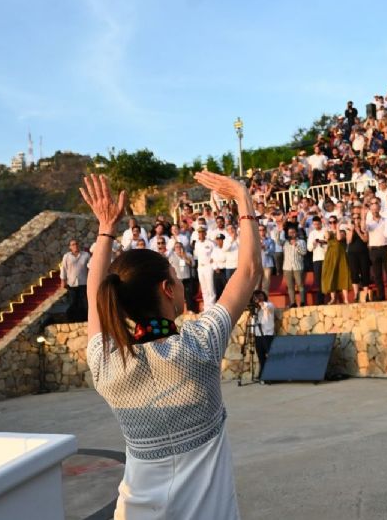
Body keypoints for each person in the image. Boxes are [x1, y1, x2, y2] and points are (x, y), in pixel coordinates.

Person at [84, 171, 261, 519]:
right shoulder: (199, 346)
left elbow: (93, 297)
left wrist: (106, 229)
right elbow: (250, 269)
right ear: (168, 288)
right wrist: (242, 197)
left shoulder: (106, 364)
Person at [320, 216, 351, 304]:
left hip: (341, 256)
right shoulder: (327, 231)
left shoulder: (342, 231)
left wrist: (337, 228)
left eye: (334, 222)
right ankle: (333, 298)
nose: (332, 224)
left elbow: (339, 238)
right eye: (331, 222)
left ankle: (346, 299)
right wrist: (326, 226)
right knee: (331, 275)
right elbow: (327, 237)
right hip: (330, 256)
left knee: (343, 275)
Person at [345, 205, 372, 303]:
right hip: (352, 253)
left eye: (358, 217)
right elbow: (348, 241)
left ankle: (366, 294)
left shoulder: (364, 227)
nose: (356, 219)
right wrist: (352, 230)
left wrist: (358, 231)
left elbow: (365, 239)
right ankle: (356, 294)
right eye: (354, 218)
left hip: (363, 252)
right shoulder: (349, 228)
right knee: (354, 273)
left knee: (365, 272)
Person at [60, 239, 90, 322]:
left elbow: (90, 267)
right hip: (72, 283)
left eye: (76, 244)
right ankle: (74, 320)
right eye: (73, 244)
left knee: (85, 302)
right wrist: (63, 280)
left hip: (83, 282)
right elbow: (64, 269)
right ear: (70, 247)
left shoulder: (86, 255)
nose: (75, 246)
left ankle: (87, 319)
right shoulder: (67, 256)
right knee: (73, 302)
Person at [251, 289, 277, 380]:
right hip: (258, 335)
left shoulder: (269, 305)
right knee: (260, 356)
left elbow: (267, 307)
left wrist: (260, 302)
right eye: (255, 297)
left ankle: (272, 375)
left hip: (267, 335)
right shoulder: (255, 309)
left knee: (270, 356)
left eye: (259, 296)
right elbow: (253, 321)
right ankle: (262, 373)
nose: (257, 299)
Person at [282, 226, 308, 307]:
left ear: (296, 233)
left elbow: (304, 252)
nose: (291, 234)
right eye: (290, 233)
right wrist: (279, 230)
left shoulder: (301, 242)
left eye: (293, 232)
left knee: (300, 285)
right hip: (287, 267)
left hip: (298, 266)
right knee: (290, 286)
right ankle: (293, 302)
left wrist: (296, 244)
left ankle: (303, 302)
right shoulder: (285, 242)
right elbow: (277, 241)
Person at [168, 241, 197, 313]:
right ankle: (176, 311)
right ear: (174, 248)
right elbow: (168, 267)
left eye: (180, 246)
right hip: (177, 279)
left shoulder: (188, 255)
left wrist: (184, 257)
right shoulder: (171, 256)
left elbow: (192, 264)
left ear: (182, 247)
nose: (178, 248)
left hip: (187, 278)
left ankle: (190, 311)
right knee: (177, 296)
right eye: (176, 247)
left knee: (188, 295)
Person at [193, 227, 217, 309]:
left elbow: (215, 253)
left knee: (210, 286)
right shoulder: (197, 243)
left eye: (202, 232)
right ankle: (207, 306)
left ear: (205, 233)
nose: (201, 234)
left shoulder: (210, 243)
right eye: (199, 233)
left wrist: (213, 261)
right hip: (200, 267)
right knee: (204, 288)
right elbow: (196, 256)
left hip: (208, 266)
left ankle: (212, 305)